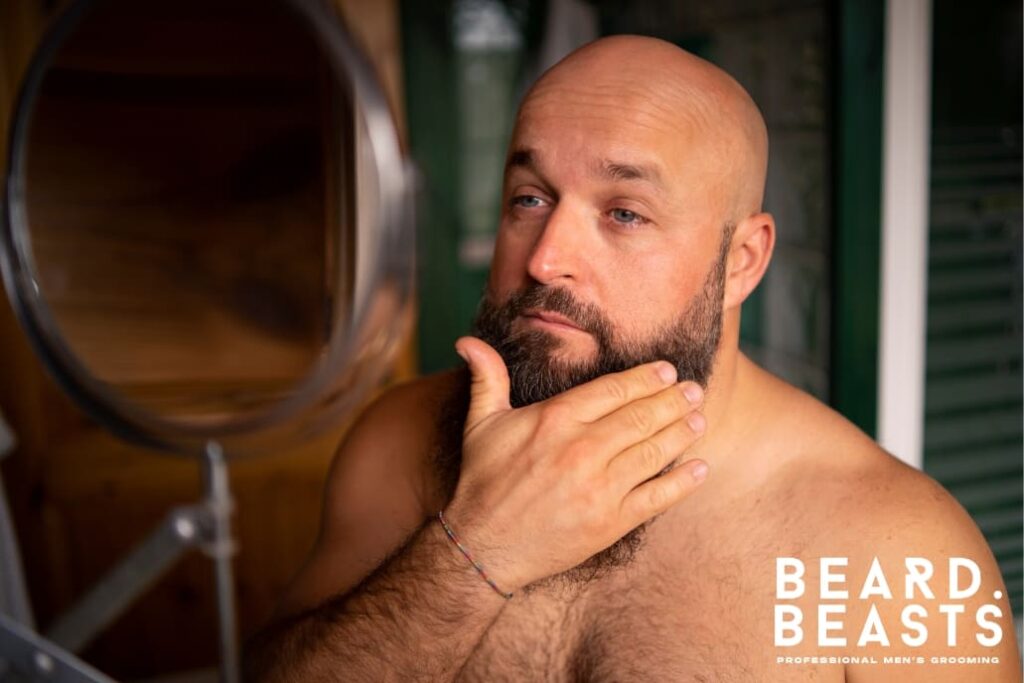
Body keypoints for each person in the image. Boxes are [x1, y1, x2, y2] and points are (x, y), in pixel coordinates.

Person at [245, 35, 1020, 682]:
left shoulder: (897, 550)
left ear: (743, 261)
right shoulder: (400, 441)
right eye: (530, 198)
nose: (547, 259)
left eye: (624, 212)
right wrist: (472, 553)